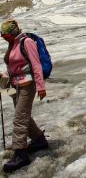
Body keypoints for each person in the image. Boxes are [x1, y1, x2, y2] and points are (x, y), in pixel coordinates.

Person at [0, 19, 48, 173]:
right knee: (23, 115)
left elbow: (36, 65)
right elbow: (15, 66)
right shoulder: (12, 43)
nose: (3, 38)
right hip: (14, 85)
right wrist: (4, 76)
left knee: (19, 119)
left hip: (27, 85)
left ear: (13, 32)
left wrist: (40, 86)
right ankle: (39, 140)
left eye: (5, 35)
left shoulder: (26, 42)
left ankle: (20, 154)